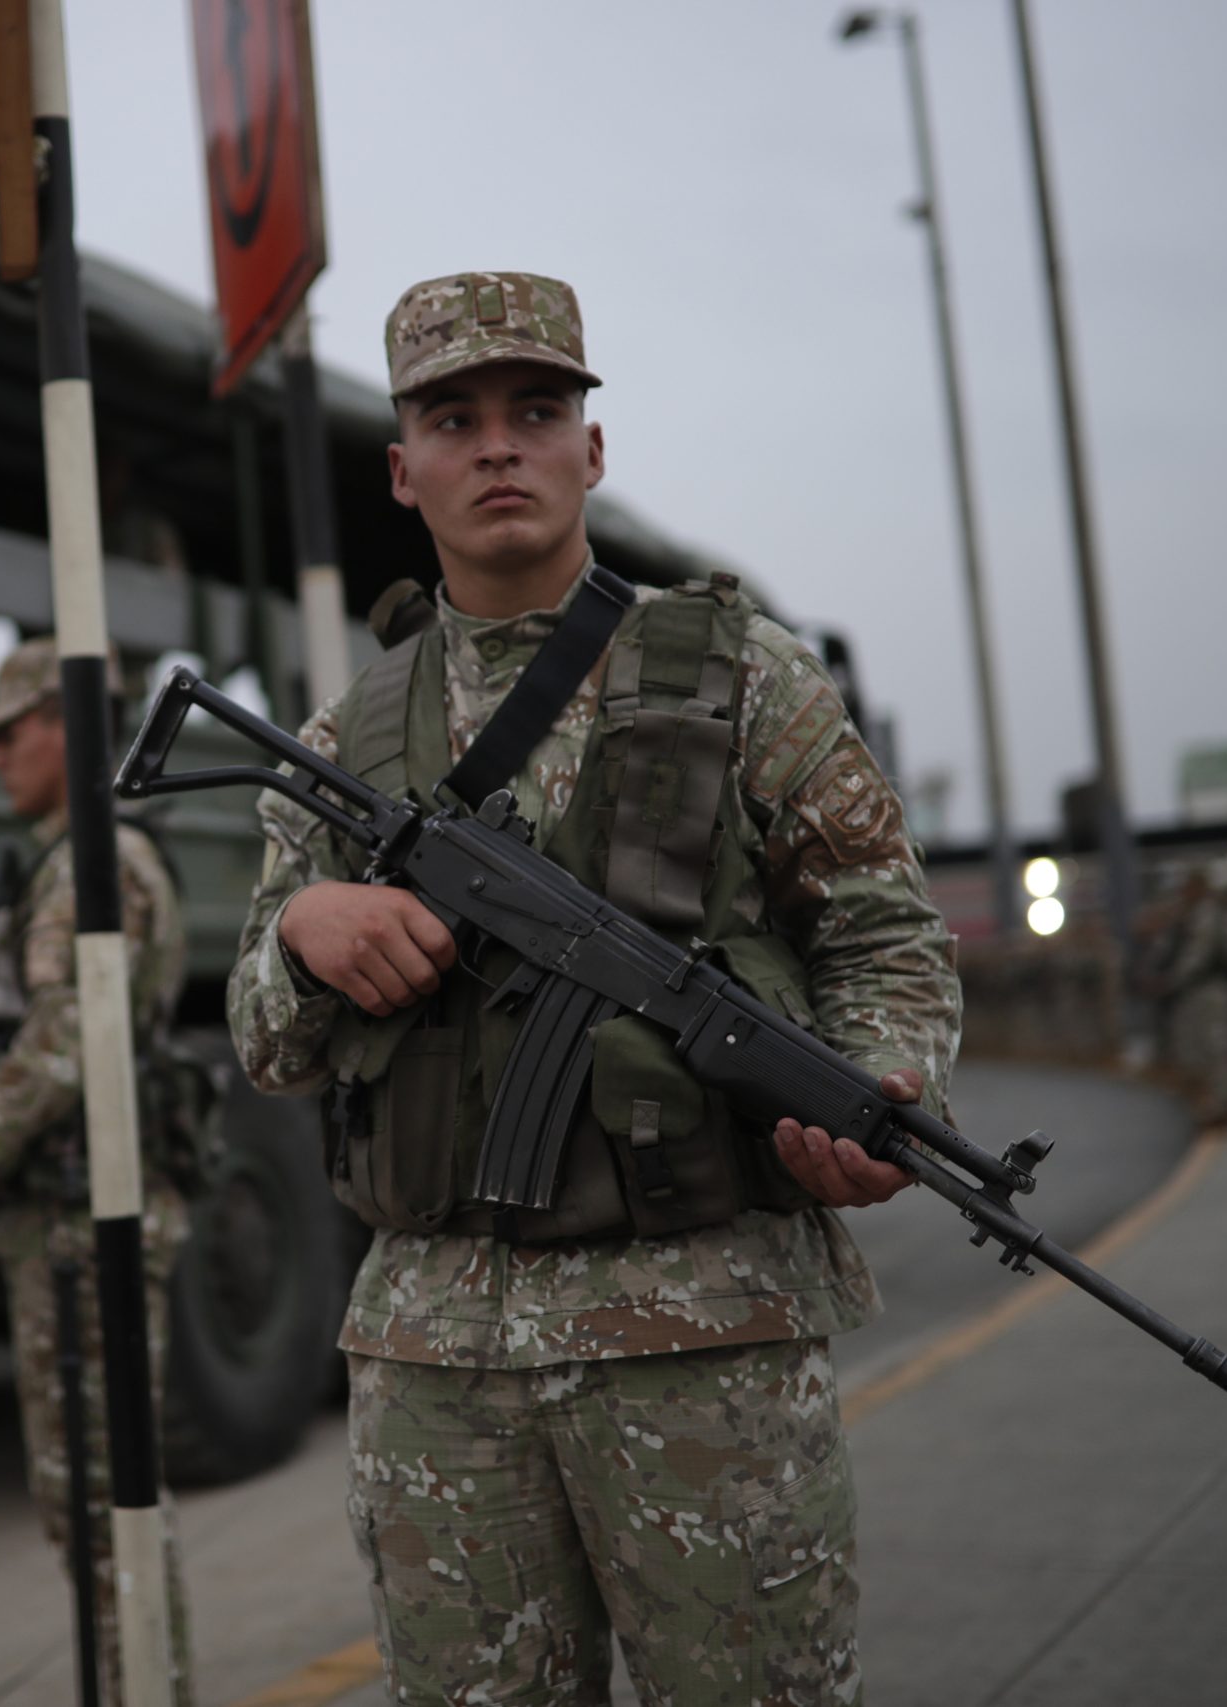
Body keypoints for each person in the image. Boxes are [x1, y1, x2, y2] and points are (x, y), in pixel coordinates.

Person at [227, 273, 961, 1705]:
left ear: (592, 449)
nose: (499, 445)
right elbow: (266, 1043)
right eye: (455, 417)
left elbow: (886, 940)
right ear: (404, 468)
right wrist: (303, 929)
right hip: (437, 1358)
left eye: (538, 410)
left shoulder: (746, 677)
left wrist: (887, 1089)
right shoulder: (342, 735)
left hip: (706, 1336)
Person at [0, 638, 197, 1704]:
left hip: (86, 1231)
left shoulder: (97, 869)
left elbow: (58, 1052)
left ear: (66, 726)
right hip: (62, 1226)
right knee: (95, 1513)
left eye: (8, 733)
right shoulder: (73, 862)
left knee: (110, 1514)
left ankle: (148, 1688)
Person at [1154, 867, 1227, 1124]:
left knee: (1216, 1047)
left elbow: (1198, 956)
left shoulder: (1207, 913)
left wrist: (1171, 981)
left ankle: (1224, 1103)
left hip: (1211, 987)